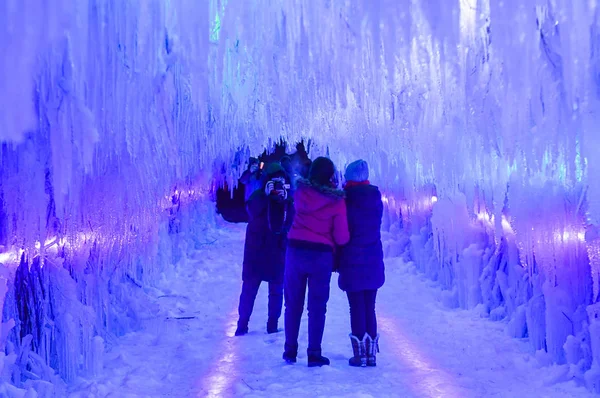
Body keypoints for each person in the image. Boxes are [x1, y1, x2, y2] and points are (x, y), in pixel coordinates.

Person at [283, 157, 350, 367]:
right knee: (317, 306)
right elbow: (341, 237)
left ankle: (290, 350)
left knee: (292, 303)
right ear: (330, 176)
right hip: (320, 255)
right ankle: (314, 353)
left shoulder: (300, 193)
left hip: (295, 250)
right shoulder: (336, 201)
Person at [235, 163, 294, 336]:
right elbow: (251, 211)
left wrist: (285, 200)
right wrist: (264, 195)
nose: (277, 186)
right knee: (249, 290)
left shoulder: (288, 201)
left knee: (276, 291)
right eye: (273, 182)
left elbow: (292, 221)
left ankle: (273, 325)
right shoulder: (257, 196)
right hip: (256, 252)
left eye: (280, 182)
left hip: (278, 251)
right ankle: (242, 324)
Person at [337, 160, 385, 367]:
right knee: (370, 307)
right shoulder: (376, 200)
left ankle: (360, 355)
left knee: (355, 307)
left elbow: (342, 233)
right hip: (373, 257)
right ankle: (371, 354)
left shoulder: (345, 201)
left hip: (352, 259)